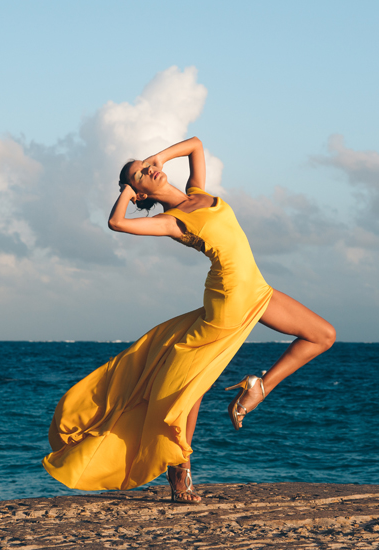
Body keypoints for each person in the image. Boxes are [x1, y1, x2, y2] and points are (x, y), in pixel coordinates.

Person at [42, 137, 335, 503]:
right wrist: (127, 191)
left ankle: (259, 387)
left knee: (322, 334)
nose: (149, 169)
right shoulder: (171, 222)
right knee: (189, 388)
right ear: (141, 191)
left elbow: (196, 144)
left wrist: (158, 156)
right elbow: (116, 223)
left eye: (146, 164)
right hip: (229, 300)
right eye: (141, 174)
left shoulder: (198, 192)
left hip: (256, 289)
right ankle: (179, 471)